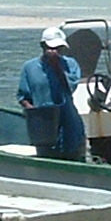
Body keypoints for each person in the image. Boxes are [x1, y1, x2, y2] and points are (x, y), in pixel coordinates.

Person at [17, 25, 87, 159]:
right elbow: (23, 97)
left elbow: (69, 87)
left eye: (58, 48)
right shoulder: (29, 67)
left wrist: (57, 67)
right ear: (42, 46)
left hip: (70, 128)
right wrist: (35, 114)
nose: (55, 51)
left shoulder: (70, 64)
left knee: (75, 159)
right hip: (45, 132)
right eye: (51, 48)